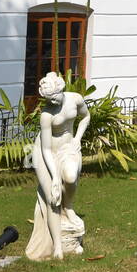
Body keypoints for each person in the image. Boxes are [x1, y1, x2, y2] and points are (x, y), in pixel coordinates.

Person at [25, 71, 90, 261]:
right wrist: (54, 177)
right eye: (48, 100)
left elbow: (86, 117)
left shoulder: (75, 99)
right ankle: (58, 247)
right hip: (46, 152)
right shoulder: (46, 115)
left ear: (61, 89)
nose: (52, 102)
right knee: (53, 197)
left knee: (70, 178)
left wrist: (78, 138)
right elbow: (45, 149)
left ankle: (68, 208)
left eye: (54, 98)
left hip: (68, 147)